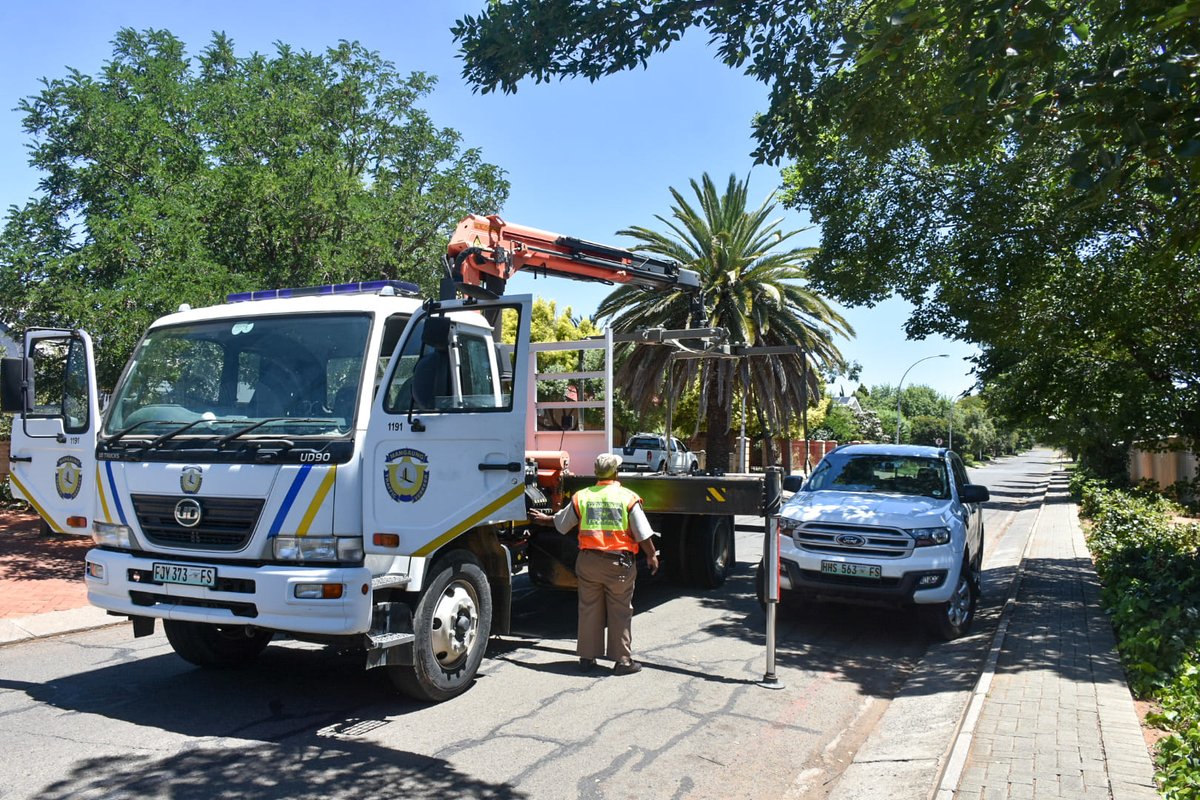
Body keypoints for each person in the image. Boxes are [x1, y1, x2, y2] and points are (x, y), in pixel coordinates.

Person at [530, 452, 659, 675]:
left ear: (596, 472)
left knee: (589, 609)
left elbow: (562, 523)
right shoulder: (627, 497)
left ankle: (587, 659)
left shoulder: (583, 496)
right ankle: (622, 662)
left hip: (588, 561)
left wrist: (544, 520)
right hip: (618, 563)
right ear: (616, 472)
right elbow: (642, 532)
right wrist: (651, 555)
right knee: (619, 611)